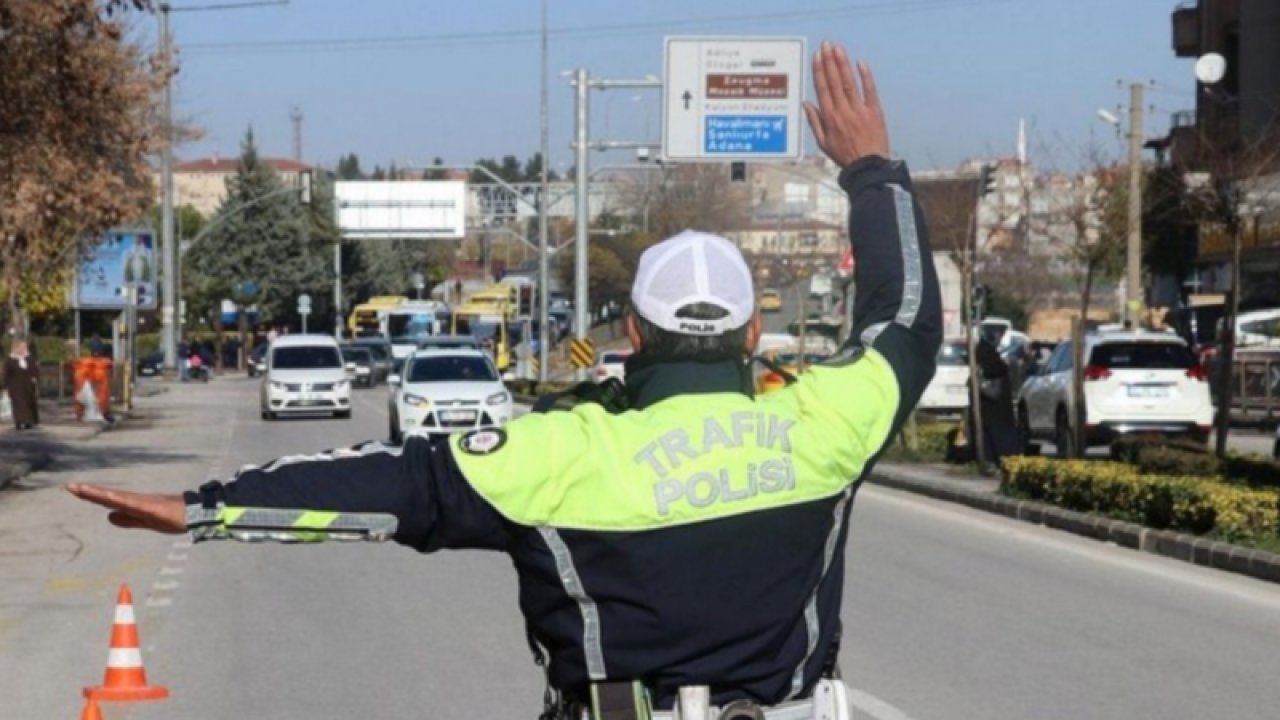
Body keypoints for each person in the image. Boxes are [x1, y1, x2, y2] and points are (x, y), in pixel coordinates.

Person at [67, 43, 941, 718]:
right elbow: (902, 317)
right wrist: (871, 169)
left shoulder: (559, 452)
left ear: (633, 332)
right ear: (754, 333)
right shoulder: (827, 422)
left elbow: (389, 484)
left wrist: (206, 506)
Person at [968, 324, 1022, 466]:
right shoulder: (987, 352)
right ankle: (996, 459)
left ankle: (992, 458)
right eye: (999, 334)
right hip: (994, 407)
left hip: (991, 407)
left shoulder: (985, 350)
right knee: (999, 436)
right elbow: (994, 370)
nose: (1000, 338)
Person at [4, 339, 40, 431]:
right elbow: (6, 373)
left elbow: (34, 369)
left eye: (25, 347)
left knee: (28, 403)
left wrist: (35, 378)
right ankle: (19, 422)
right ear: (16, 348)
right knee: (18, 404)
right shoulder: (10, 359)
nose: (23, 349)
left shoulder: (29, 358)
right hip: (15, 385)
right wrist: (6, 386)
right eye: (21, 347)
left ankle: (29, 422)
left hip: (27, 385)